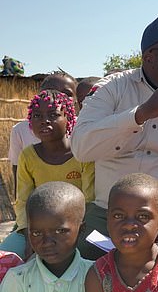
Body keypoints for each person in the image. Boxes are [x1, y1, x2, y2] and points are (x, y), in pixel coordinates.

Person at [71, 13, 158, 259]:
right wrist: (141, 114)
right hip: (108, 216)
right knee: (79, 260)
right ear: (149, 56)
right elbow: (81, 146)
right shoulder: (113, 88)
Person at [0, 89, 94, 260]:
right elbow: (23, 200)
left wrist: (70, 230)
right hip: (36, 226)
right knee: (6, 257)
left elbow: (89, 199)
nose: (45, 121)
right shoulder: (28, 156)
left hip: (77, 226)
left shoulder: (82, 153)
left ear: (69, 118)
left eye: (53, 114)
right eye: (37, 116)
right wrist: (29, 234)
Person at [85, 173, 158, 292]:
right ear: (107, 220)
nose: (129, 224)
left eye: (142, 216)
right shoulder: (99, 274)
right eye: (119, 216)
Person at [0, 182, 93, 292]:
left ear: (81, 229)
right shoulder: (18, 279)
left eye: (60, 231)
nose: (47, 242)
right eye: (37, 233)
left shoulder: (95, 276)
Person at [7, 72, 79, 196]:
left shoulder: (83, 127)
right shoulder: (20, 130)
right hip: (38, 209)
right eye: (51, 92)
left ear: (77, 100)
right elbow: (17, 170)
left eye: (67, 94)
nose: (57, 98)